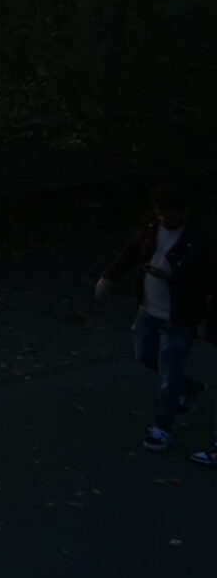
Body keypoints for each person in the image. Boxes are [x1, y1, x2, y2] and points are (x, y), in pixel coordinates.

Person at [96, 185, 207, 451]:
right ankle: (189, 388)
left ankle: (162, 426)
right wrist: (110, 275)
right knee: (145, 353)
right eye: (161, 215)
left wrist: (173, 278)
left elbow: (206, 278)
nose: (165, 221)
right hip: (149, 307)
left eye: (170, 217)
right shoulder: (152, 226)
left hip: (179, 315)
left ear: (184, 213)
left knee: (169, 370)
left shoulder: (199, 239)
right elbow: (133, 250)